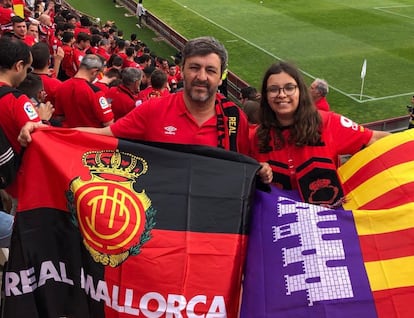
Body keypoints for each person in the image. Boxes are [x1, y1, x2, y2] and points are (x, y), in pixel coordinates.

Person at [19, 36, 273, 183]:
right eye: (195, 68)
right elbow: (104, 135)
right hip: (164, 220)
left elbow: (250, 161)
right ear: (182, 70)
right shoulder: (154, 109)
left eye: (210, 70)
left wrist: (263, 168)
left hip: (213, 223)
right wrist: (46, 132)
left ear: (221, 77)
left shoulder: (233, 117)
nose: (201, 77)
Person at [249, 61, 390, 207]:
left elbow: (373, 138)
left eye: (289, 88)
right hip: (282, 223)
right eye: (273, 89)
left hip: (327, 222)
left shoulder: (328, 123)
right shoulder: (255, 137)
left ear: (300, 91)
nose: (282, 94)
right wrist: (258, 170)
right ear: (265, 95)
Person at [53, 54, 114, 128]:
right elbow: (108, 123)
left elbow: (59, 117)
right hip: (90, 136)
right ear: (94, 71)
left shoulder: (61, 86)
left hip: (69, 134)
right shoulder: (95, 92)